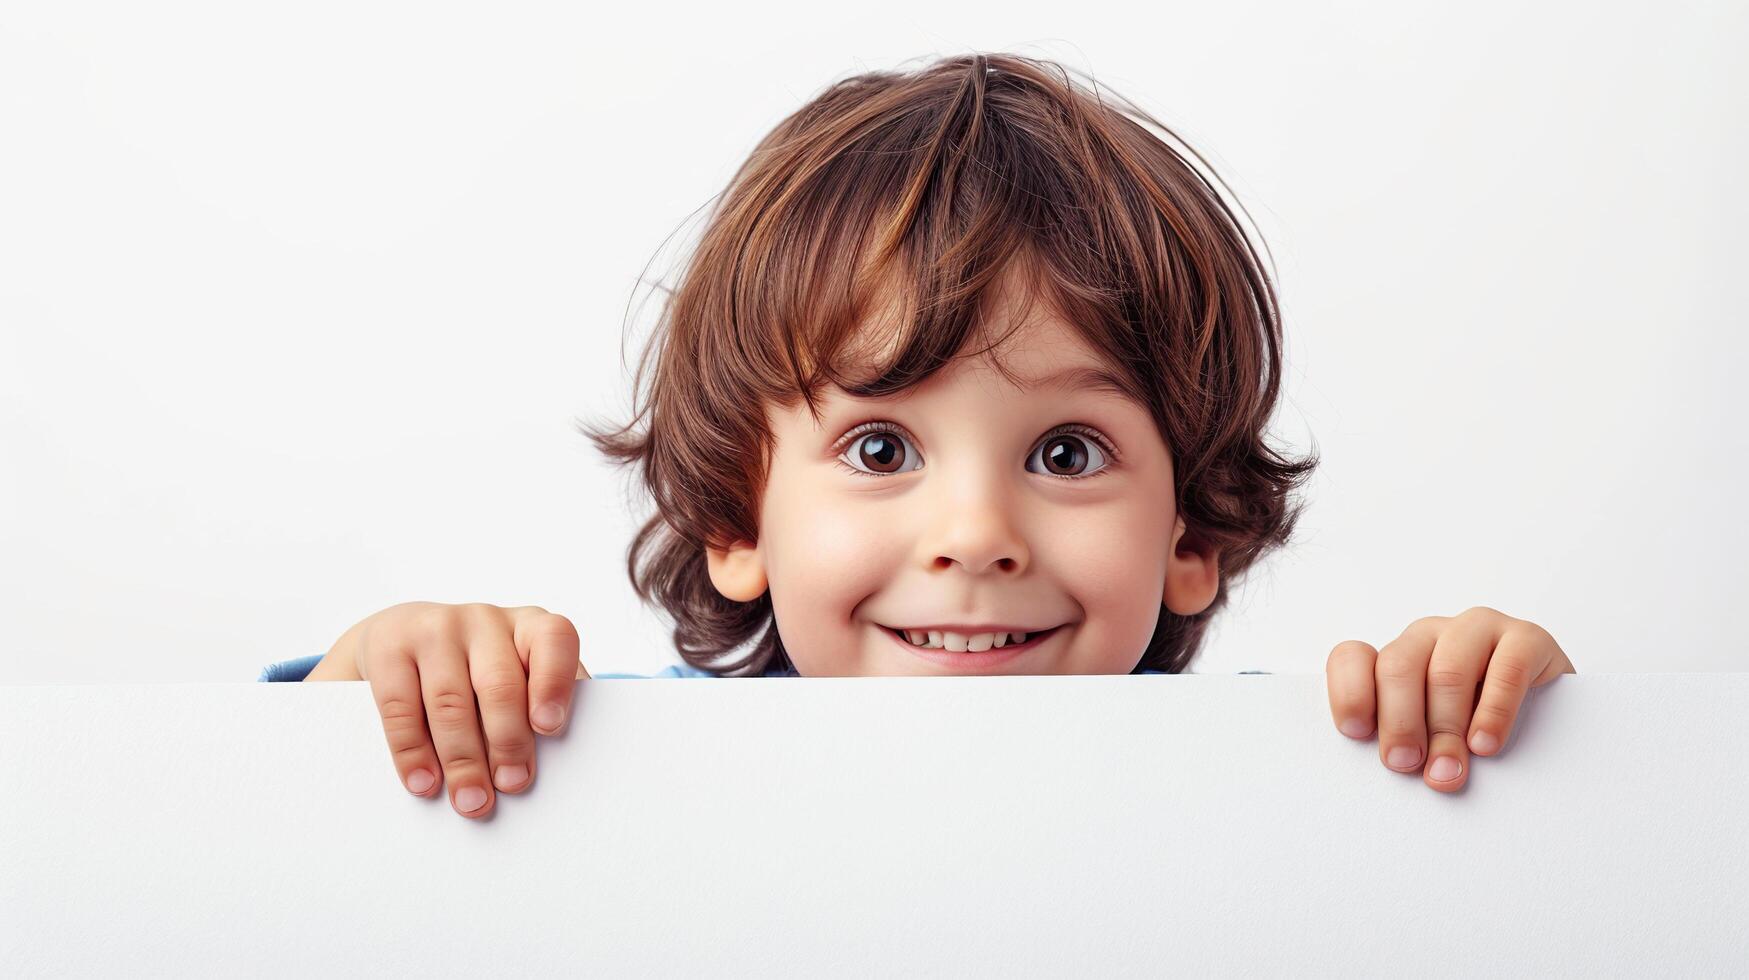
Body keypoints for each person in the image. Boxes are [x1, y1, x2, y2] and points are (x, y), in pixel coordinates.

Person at [259, 52, 1575, 818]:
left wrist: (1496, 711)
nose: (974, 538)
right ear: (733, 517)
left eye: (1065, 453)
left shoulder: (1288, 788)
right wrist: (393, 675)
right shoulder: (610, 776)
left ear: (1193, 531)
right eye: (881, 450)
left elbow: (1560, 855)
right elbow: (270, 820)